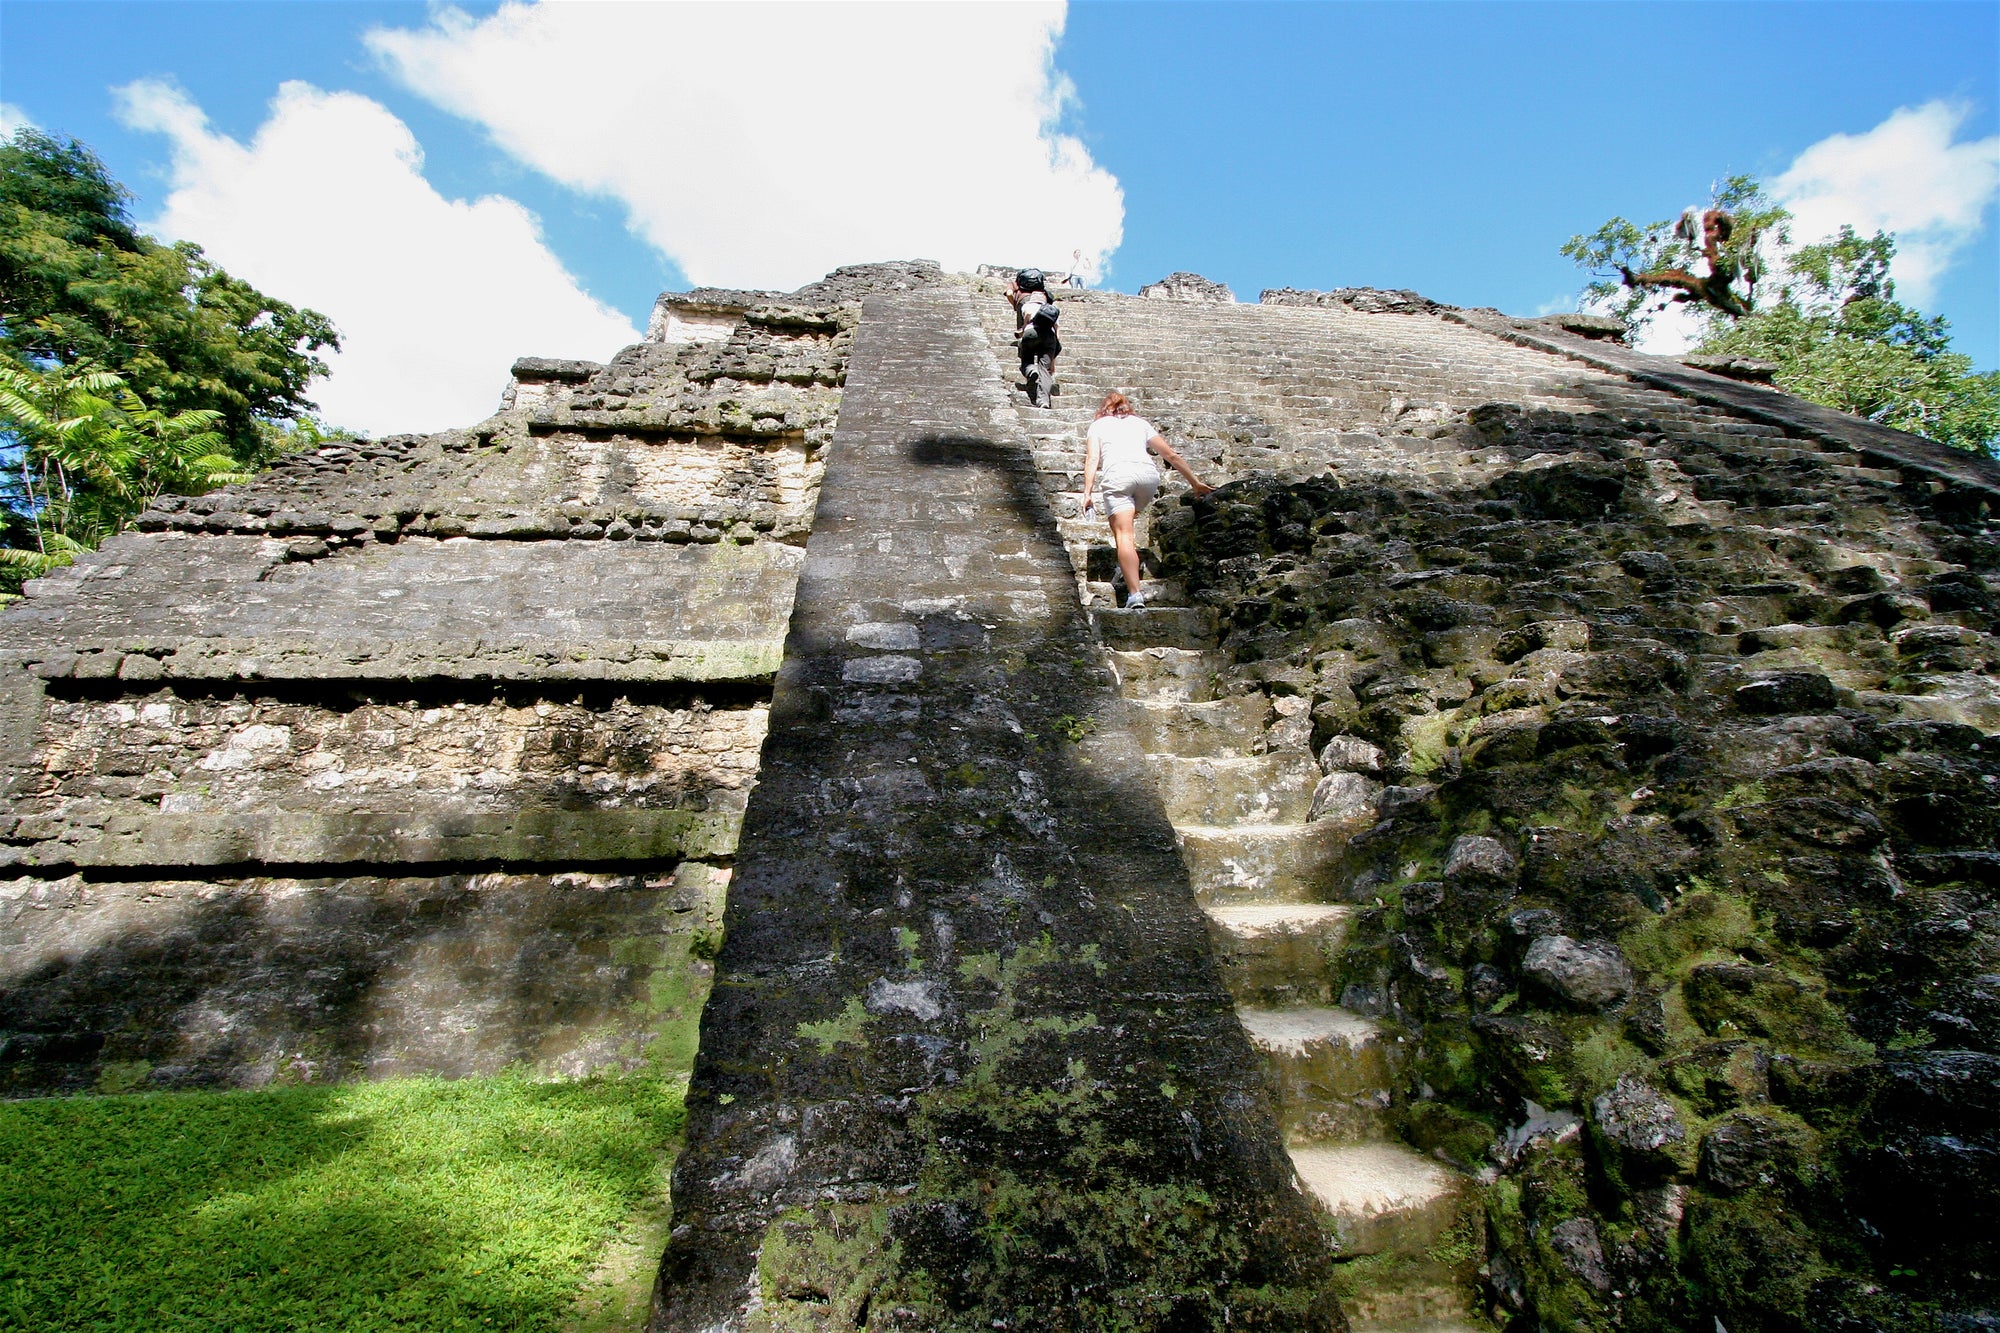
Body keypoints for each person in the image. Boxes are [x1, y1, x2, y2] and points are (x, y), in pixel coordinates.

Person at [1081, 391, 1215, 609]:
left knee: (1124, 534)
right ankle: (1125, 566)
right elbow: (1171, 455)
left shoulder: (1098, 425)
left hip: (1119, 477)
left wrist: (1087, 492)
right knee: (1126, 523)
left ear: (1104, 409)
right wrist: (1195, 483)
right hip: (1147, 478)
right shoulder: (1140, 423)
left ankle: (1135, 594)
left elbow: (1093, 458)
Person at [1006, 268, 1061, 407]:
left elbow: (1023, 328)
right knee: (1046, 370)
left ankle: (1032, 371)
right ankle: (1044, 401)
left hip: (1030, 333)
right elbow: (1057, 331)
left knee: (1027, 360)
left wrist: (1020, 337)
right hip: (1050, 337)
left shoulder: (1026, 306)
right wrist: (1053, 359)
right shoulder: (1050, 311)